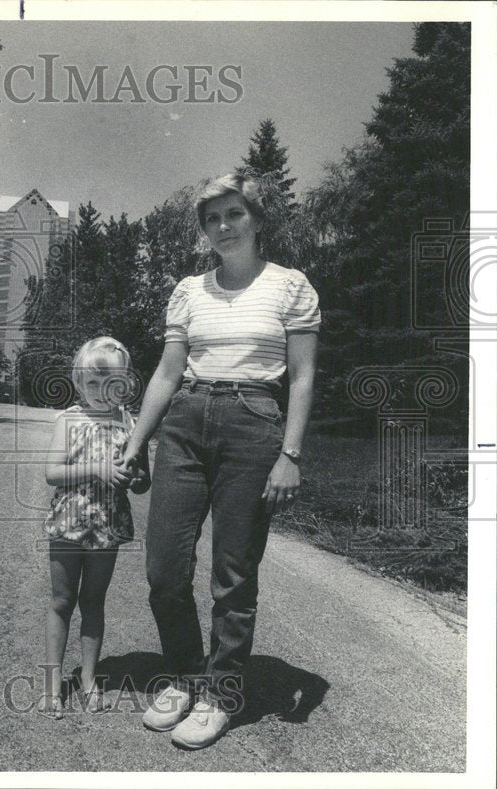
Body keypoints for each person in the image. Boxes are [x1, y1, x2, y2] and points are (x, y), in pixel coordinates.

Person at [121, 173, 320, 748]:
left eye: (234, 214)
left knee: (233, 573)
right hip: (185, 421)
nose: (223, 226)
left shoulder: (291, 286)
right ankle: (186, 675)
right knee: (164, 567)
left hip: (254, 425)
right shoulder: (188, 290)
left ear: (256, 219)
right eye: (212, 218)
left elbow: (303, 376)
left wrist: (291, 454)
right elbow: (166, 372)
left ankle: (222, 693)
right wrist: (137, 442)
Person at [39, 337, 151, 718]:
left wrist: (133, 476)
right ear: (78, 383)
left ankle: (88, 677)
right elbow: (53, 473)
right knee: (61, 600)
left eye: (111, 384)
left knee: (94, 602)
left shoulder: (131, 423)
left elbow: (143, 480)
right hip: (69, 522)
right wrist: (98, 469)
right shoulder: (69, 420)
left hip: (107, 523)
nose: (101, 393)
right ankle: (53, 682)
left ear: (124, 385)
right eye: (91, 384)